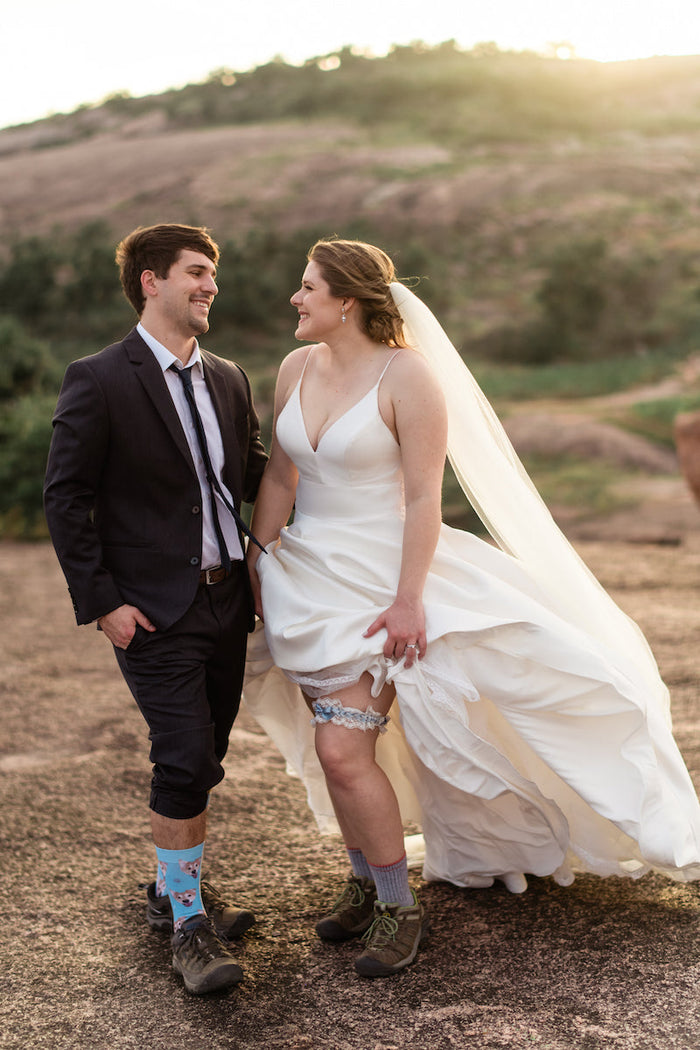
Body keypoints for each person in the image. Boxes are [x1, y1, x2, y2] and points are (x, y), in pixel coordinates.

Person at [244, 237, 700, 979]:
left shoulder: (408, 375)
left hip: (385, 579)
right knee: (335, 745)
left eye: (307, 287)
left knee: (340, 749)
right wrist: (259, 558)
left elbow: (426, 495)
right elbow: (281, 479)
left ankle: (398, 908)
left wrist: (408, 601)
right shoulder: (295, 368)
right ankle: (363, 884)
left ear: (346, 300)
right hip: (308, 580)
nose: (295, 299)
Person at [44, 223, 268, 996]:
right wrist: (103, 602)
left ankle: (173, 889)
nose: (211, 285)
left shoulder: (230, 378)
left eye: (213, 273)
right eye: (197, 271)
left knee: (206, 756)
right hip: (152, 612)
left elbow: (255, 475)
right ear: (151, 281)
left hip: (228, 602)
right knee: (183, 757)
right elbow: (65, 497)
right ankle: (188, 928)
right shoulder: (99, 378)